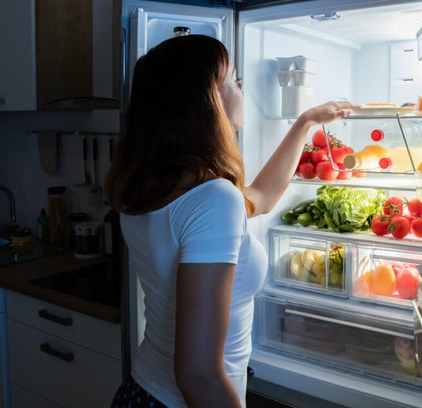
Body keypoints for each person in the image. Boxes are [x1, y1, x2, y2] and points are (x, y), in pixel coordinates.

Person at [105, 34, 356, 408]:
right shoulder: (212, 199)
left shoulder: (146, 187)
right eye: (233, 80)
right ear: (208, 100)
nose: (241, 87)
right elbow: (198, 375)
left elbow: (262, 196)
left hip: (141, 392)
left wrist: (305, 122)